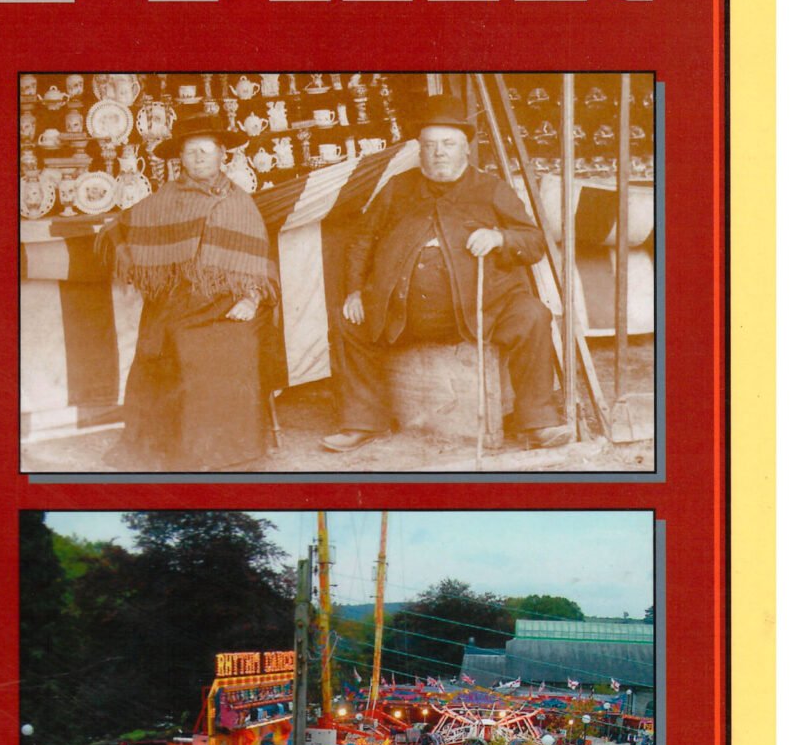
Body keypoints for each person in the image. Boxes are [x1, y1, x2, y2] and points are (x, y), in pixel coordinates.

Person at [322, 96, 569, 453]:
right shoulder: (396, 189)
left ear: (465, 150)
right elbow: (361, 242)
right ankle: (363, 422)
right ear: (419, 151)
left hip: (482, 309)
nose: (438, 153)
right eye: (429, 145)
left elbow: (533, 242)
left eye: (448, 144)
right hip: (405, 313)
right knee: (347, 324)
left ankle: (539, 422)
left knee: (533, 315)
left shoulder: (491, 188)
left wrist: (501, 237)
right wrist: (355, 292)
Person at [104, 119, 283, 469]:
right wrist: (139, 260)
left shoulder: (239, 201)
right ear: (180, 160)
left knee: (237, 348)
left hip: (231, 302)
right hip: (177, 300)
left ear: (222, 156)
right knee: (168, 345)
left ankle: (233, 449)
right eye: (191, 152)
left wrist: (250, 299)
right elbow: (122, 228)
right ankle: (180, 450)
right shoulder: (164, 199)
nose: (199, 157)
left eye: (207, 150)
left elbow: (258, 261)